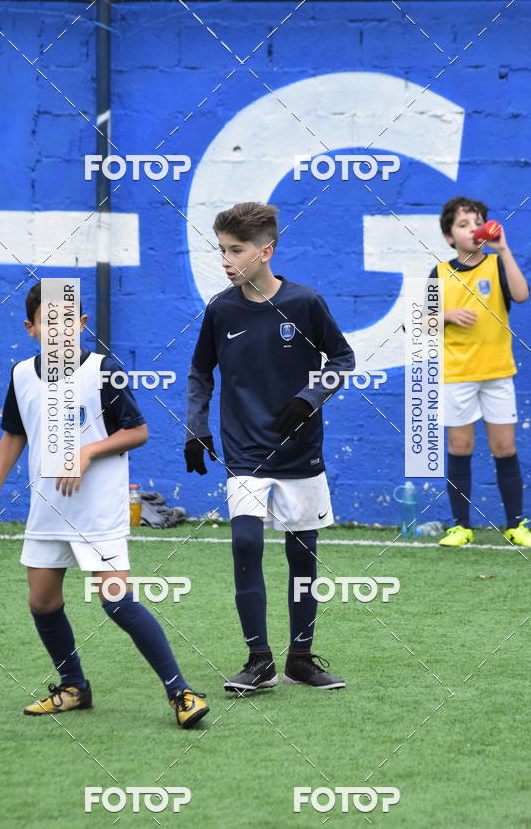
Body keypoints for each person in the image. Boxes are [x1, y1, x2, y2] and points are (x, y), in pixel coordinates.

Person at [0, 280, 210, 727]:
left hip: (97, 509)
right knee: (42, 602)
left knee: (116, 600)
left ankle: (182, 693)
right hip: (47, 507)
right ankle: (73, 688)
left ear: (81, 324)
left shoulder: (103, 369)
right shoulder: (22, 374)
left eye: (68, 320)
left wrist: (84, 452)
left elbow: (137, 431)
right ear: (31, 328)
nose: (59, 330)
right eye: (48, 321)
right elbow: (14, 434)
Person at [185, 202, 355, 692]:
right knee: (245, 543)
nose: (225, 259)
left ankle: (300, 657)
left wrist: (310, 397)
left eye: (235, 249)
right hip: (245, 454)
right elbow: (201, 372)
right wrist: (196, 427)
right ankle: (258, 660)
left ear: (266, 251)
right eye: (221, 249)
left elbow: (342, 358)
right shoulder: (220, 308)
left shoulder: (304, 303)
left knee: (303, 557)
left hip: (301, 453)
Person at [429, 196, 531, 547]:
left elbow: (521, 295)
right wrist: (446, 316)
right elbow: (418, 322)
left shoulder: (496, 265)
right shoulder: (439, 273)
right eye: (463, 224)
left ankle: (515, 525)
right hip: (458, 375)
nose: (472, 229)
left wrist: (504, 250)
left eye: (476, 222)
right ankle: (461, 526)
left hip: (497, 373)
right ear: (449, 237)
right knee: (460, 447)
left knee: (504, 447)